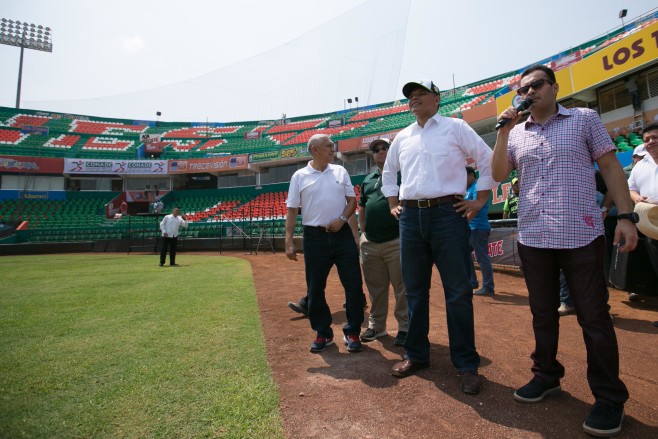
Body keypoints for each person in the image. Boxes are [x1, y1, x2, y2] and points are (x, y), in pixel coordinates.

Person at [491, 64, 638, 437]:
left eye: (536, 85)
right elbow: (496, 175)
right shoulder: (517, 132)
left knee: (594, 318)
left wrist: (625, 215)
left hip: (581, 234)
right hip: (533, 237)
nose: (529, 92)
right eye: (523, 88)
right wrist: (503, 133)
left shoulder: (584, 118)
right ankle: (546, 376)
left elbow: (609, 166)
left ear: (554, 88)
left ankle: (608, 398)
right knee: (542, 313)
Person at [381, 79, 497, 395]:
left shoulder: (455, 127)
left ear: (436, 99)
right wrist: (393, 203)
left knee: (458, 291)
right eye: (410, 97)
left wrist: (480, 199)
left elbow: (487, 159)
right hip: (410, 217)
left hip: (449, 213)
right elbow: (388, 174)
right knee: (414, 291)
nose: (414, 100)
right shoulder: (402, 137)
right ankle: (416, 354)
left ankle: (466, 364)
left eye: (421, 95)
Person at [285, 133, 365, 354]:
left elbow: (352, 201)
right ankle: (323, 333)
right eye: (328, 146)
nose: (333, 148)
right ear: (314, 150)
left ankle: (353, 331)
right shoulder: (299, 176)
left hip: (342, 236)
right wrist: (289, 240)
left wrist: (341, 221)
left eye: (333, 145)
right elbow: (292, 210)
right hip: (314, 237)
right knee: (315, 287)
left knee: (354, 285)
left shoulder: (340, 171)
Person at [358, 138, 408, 346]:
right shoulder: (368, 179)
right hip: (371, 242)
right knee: (375, 288)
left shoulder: (402, 173)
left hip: (397, 239)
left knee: (402, 288)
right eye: (376, 150)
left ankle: (405, 328)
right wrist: (363, 233)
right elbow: (362, 207)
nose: (380, 152)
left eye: (384, 148)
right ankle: (377, 326)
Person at [627, 123, 658, 298]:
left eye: (655, 137)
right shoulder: (640, 166)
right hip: (651, 225)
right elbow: (630, 188)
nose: (651, 142)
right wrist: (636, 198)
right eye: (647, 140)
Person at [465, 166, 494, 296]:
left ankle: (488, 287)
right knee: (465, 253)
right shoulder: (468, 189)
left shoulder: (477, 187)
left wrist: (465, 222)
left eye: (464, 176)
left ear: (471, 175)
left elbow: (477, 207)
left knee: (482, 258)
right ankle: (472, 281)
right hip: (472, 228)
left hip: (479, 228)